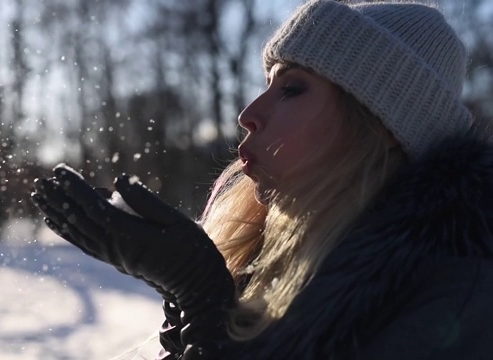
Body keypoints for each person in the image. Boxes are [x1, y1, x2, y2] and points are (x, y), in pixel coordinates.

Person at [31, 0, 493, 358]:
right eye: (268, 84)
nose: (248, 114)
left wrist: (207, 308)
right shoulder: (275, 259)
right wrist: (190, 309)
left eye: (291, 88)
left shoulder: (461, 296)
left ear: (382, 125)